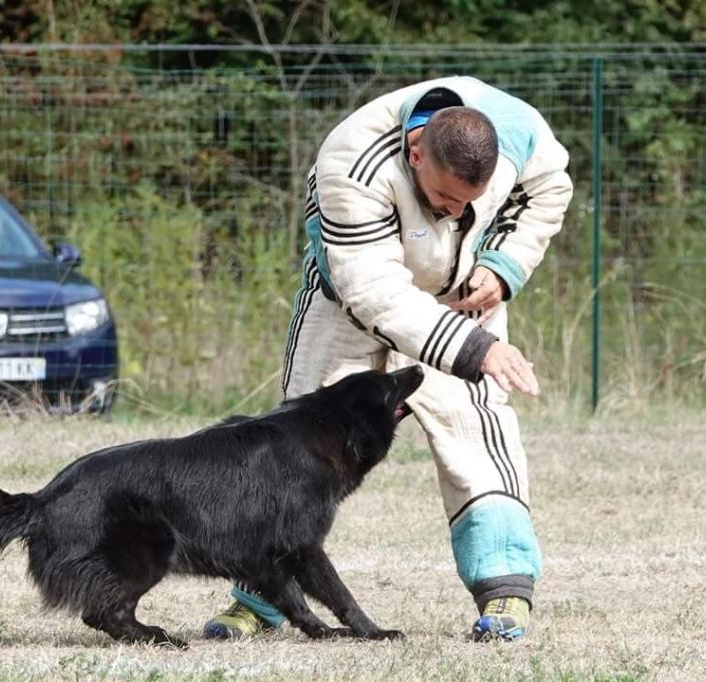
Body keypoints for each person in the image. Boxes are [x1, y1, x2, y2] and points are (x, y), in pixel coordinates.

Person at [204, 76, 572, 642]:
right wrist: (476, 349)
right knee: (294, 453)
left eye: (469, 203)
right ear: (415, 151)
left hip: (464, 304)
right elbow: (376, 292)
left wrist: (502, 266)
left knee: (477, 436)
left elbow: (549, 191)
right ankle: (260, 598)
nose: (456, 214)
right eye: (447, 198)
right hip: (348, 304)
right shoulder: (351, 161)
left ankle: (505, 593)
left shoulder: (521, 134)